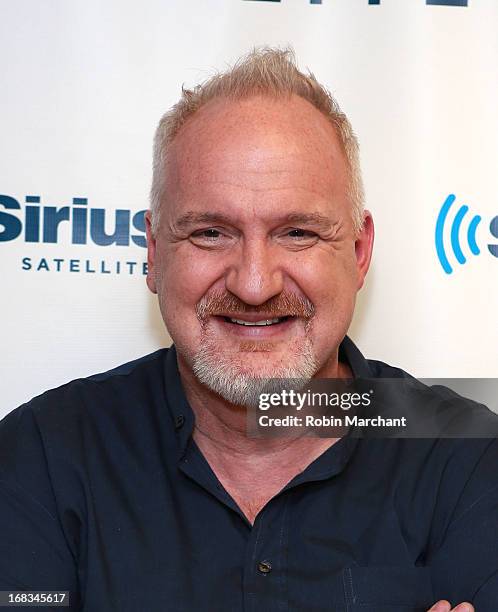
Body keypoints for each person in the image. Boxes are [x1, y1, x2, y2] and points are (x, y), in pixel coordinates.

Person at [0, 48, 495, 612]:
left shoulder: (470, 455)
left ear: (359, 253)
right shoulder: (40, 457)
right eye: (211, 233)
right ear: (154, 253)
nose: (255, 285)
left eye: (298, 233)